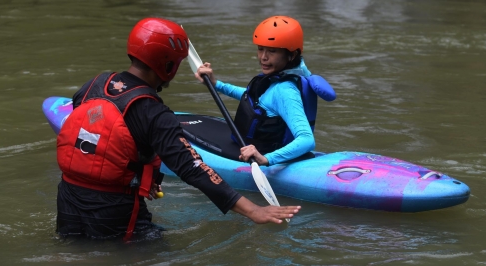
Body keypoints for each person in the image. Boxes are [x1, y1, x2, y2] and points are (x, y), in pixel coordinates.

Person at [56, 17, 301, 241]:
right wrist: (254, 210)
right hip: (115, 213)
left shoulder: (95, 84)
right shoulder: (155, 114)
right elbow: (194, 169)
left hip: (67, 200)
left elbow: (100, 131)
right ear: (168, 64)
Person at [195, 15, 336, 166]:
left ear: (291, 55)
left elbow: (307, 140)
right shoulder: (281, 79)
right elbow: (255, 100)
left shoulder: (285, 91)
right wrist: (216, 84)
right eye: (260, 49)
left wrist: (266, 159)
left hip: (271, 156)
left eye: (272, 51)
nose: (263, 57)